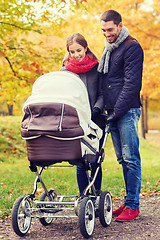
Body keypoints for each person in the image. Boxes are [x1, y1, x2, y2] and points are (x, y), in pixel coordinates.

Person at [98, 10, 144, 221]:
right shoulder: (110, 48)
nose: (106, 34)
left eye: (109, 29)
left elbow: (132, 85)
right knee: (122, 160)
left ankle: (133, 206)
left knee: (131, 158)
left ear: (119, 25)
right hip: (112, 111)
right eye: (103, 30)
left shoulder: (131, 47)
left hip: (125, 110)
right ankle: (128, 201)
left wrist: (116, 112)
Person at [60, 33, 104, 196]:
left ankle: (96, 195)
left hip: (95, 119)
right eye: (72, 52)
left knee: (95, 160)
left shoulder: (97, 68)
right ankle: (84, 197)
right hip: (75, 121)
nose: (76, 54)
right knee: (80, 161)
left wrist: (97, 109)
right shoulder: (64, 71)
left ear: (85, 48)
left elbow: (102, 93)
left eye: (79, 50)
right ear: (68, 52)